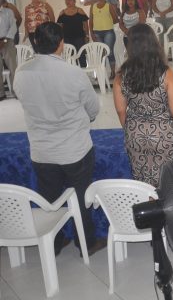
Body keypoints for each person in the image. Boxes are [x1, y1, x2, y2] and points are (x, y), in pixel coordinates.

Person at [13, 22, 106, 256]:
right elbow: (93, 109)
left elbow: (23, 99)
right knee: (81, 196)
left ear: (35, 43)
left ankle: (54, 242)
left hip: (41, 151)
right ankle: (86, 243)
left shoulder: (21, 73)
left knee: (50, 200)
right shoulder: (73, 73)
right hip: (75, 150)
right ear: (61, 44)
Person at [113, 24, 173, 187]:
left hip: (135, 133)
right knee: (168, 181)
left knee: (142, 182)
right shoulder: (166, 73)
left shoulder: (121, 75)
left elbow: (120, 110)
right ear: (154, 43)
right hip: (163, 134)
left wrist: (130, 129)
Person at [89, 0, 119, 69]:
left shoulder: (109, 6)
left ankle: (113, 72)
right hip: (96, 33)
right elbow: (91, 21)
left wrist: (107, 22)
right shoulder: (93, 6)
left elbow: (116, 19)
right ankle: (103, 72)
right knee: (101, 53)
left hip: (108, 32)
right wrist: (91, 33)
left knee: (109, 52)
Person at [57, 0, 89, 64]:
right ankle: (74, 70)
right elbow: (59, 27)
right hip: (67, 38)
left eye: (69, 0)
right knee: (70, 57)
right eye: (65, 0)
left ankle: (83, 70)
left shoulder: (80, 10)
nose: (67, 2)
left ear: (74, 1)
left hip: (79, 37)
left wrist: (87, 35)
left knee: (81, 55)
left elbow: (86, 24)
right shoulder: (62, 13)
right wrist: (60, 39)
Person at [0, 0, 18, 99]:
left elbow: (13, 27)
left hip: (7, 41)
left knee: (12, 67)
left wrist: (5, 41)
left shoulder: (8, 12)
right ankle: (1, 93)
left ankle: (16, 91)